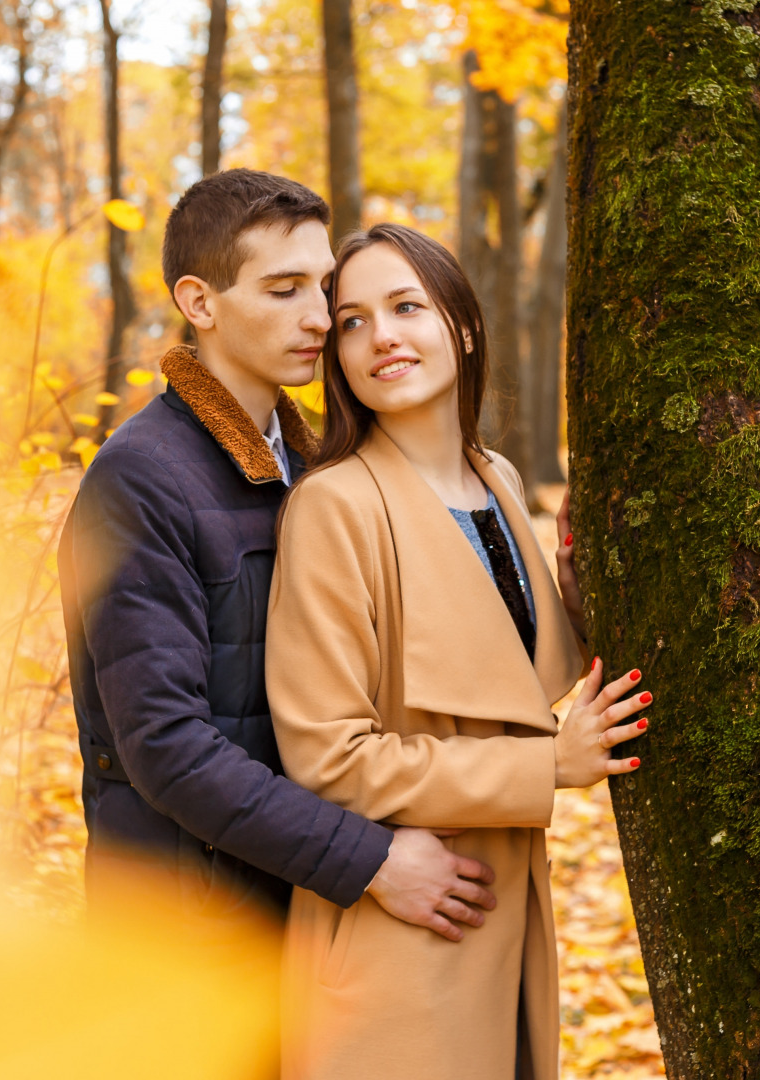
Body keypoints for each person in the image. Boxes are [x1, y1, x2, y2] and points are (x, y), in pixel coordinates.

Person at [59, 173, 502, 954]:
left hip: (300, 916)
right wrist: (371, 862)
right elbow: (165, 745)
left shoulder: (315, 467)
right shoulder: (142, 477)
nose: (320, 316)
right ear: (200, 303)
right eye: (284, 289)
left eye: (324, 286)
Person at [267, 223, 651, 1080]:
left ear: (463, 327)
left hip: (504, 912)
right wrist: (546, 767)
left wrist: (583, 606)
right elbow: (327, 758)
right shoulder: (334, 507)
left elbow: (492, 669)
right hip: (398, 931)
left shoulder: (499, 480)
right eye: (354, 320)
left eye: (406, 306)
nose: (382, 337)